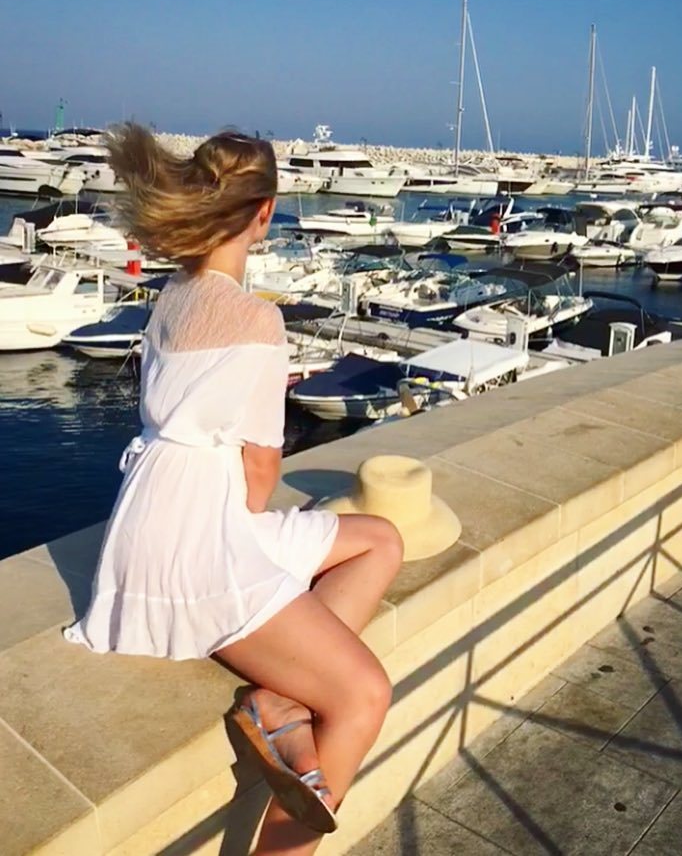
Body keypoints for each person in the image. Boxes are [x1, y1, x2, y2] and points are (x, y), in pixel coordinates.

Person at [64, 124, 403, 855]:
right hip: (201, 539)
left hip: (155, 512)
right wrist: (256, 545)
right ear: (265, 211)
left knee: (379, 539)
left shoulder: (173, 295)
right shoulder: (256, 319)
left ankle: (277, 698)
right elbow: (258, 477)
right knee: (362, 694)